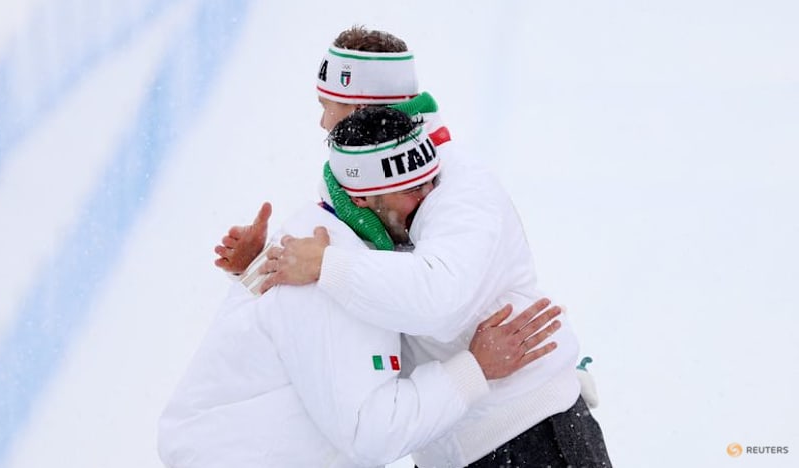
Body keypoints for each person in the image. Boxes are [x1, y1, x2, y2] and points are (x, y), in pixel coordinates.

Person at [215, 26, 611, 467]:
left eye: (332, 107)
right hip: (451, 446)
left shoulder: (461, 189)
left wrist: (326, 266)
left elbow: (436, 298)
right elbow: (324, 313)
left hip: (531, 431)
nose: (323, 122)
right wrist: (256, 272)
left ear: (369, 108)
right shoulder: (362, 190)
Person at [158, 106, 564, 468]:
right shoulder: (320, 271)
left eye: (430, 182)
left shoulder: (320, 245)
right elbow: (371, 433)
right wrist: (475, 368)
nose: (427, 200)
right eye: (410, 190)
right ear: (364, 198)